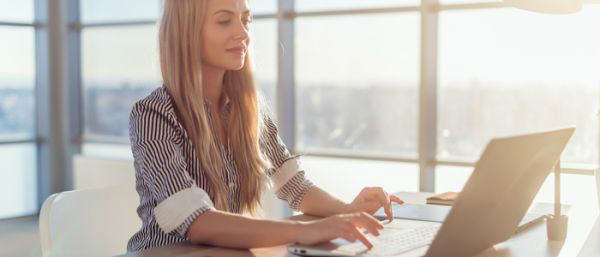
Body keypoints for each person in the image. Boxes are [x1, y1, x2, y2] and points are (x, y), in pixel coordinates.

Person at [127, 0, 404, 252]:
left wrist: (347, 210)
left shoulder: (248, 108)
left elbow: (293, 184)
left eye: (245, 20)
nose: (243, 34)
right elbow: (197, 221)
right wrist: (305, 231)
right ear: (186, 32)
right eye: (225, 21)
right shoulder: (153, 115)